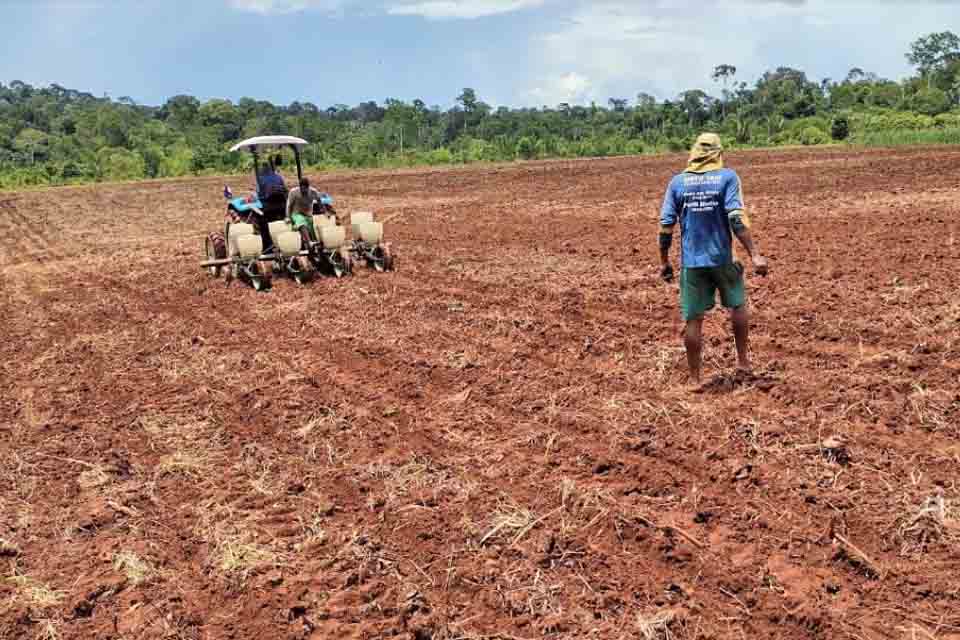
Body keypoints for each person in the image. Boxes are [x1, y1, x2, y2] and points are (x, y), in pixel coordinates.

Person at [659, 133, 769, 385]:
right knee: (738, 306)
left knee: (693, 320)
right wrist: (754, 253)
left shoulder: (677, 183)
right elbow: (735, 217)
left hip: (692, 263)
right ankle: (743, 363)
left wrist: (664, 262)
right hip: (724, 257)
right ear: (718, 153)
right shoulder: (728, 177)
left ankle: (695, 380)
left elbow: (665, 225)